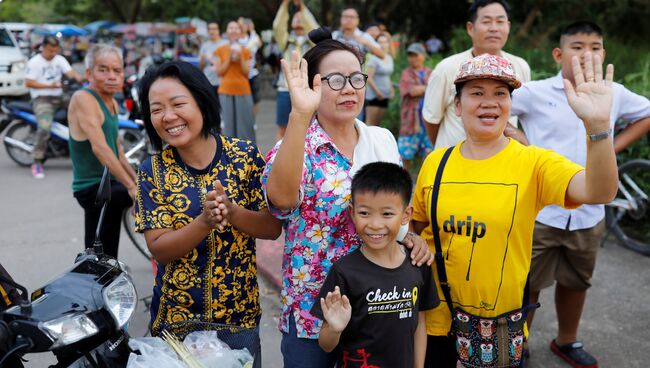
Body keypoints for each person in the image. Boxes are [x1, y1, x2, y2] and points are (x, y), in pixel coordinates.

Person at [411, 53, 618, 368]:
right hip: (433, 318)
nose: (489, 102)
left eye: (500, 94)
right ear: (457, 105)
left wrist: (598, 126)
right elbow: (417, 228)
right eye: (477, 93)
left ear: (510, 105)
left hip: (497, 326)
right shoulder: (435, 163)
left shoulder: (533, 162)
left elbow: (600, 190)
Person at [262, 27, 433, 367]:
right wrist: (298, 115)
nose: (350, 89)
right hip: (315, 312)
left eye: (356, 79)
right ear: (312, 85)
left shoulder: (382, 139)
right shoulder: (296, 147)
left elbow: (395, 209)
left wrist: (411, 236)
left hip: (379, 310)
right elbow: (280, 202)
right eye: (336, 80)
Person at [510, 21, 650, 368]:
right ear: (559, 54)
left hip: (589, 212)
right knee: (527, 283)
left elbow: (647, 113)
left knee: (577, 280)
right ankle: (519, 345)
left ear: (604, 54)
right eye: (577, 46)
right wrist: (527, 146)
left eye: (595, 46)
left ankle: (567, 341)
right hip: (542, 209)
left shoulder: (613, 92)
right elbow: (499, 113)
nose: (587, 53)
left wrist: (611, 149)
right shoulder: (536, 91)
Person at [134, 61, 282, 367]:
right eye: (156, 109)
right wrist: (204, 223)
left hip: (238, 321)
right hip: (176, 322)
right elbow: (159, 249)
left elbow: (271, 227)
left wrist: (232, 212)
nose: (168, 117)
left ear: (202, 101)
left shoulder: (244, 156)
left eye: (178, 104)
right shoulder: (152, 171)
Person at [311, 162, 439, 368]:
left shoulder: (418, 263)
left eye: (387, 214)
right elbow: (326, 345)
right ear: (352, 213)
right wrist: (334, 329)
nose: (375, 224)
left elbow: (419, 324)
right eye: (364, 213)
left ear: (406, 214)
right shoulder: (344, 272)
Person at [421, 0, 530, 150]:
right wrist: (445, 151)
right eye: (486, 21)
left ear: (508, 27)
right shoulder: (446, 68)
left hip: (502, 163)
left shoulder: (520, 66)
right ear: (470, 28)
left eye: (500, 21)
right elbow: (431, 120)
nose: (494, 28)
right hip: (454, 164)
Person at [67, 44, 136, 259]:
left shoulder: (112, 103)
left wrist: (137, 185)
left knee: (105, 249)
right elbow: (100, 148)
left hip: (108, 184)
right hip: (91, 187)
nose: (112, 76)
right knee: (98, 253)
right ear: (89, 73)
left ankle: (106, 280)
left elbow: (118, 153)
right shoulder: (83, 98)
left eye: (117, 71)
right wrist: (131, 188)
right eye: (103, 70)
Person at [25, 35, 84, 179]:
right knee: (44, 128)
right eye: (51, 50)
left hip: (59, 96)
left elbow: (71, 73)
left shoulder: (59, 59)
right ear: (43, 48)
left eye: (56, 50)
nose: (53, 53)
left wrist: (83, 78)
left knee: (84, 109)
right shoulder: (34, 62)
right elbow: (29, 83)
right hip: (42, 99)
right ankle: (37, 162)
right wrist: (50, 85)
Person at [273, 0, 319, 140]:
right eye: (295, 17)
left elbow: (313, 27)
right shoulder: (286, 40)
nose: (299, 19)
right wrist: (285, 5)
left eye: (301, 17)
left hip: (307, 89)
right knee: (283, 128)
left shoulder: (312, 41)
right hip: (285, 89)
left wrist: (301, 6)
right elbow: (278, 26)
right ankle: (279, 158)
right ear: (290, 21)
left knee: (309, 127)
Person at [215, 21, 256, 142]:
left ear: (240, 32)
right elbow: (219, 72)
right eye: (230, 27)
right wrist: (229, 56)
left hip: (243, 89)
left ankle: (247, 152)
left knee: (245, 125)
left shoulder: (246, 50)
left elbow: (246, 73)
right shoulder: (221, 50)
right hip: (225, 90)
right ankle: (229, 153)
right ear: (227, 31)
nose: (233, 30)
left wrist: (240, 57)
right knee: (228, 126)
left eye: (236, 28)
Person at [398, 43, 433, 171]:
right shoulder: (406, 73)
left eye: (416, 55)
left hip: (428, 119)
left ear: (423, 56)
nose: (413, 58)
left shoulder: (430, 72)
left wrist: (422, 89)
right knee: (405, 154)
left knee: (428, 153)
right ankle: (404, 181)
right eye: (410, 56)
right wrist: (428, 88)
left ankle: (422, 182)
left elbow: (437, 90)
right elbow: (411, 90)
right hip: (410, 120)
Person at [364, 32, 394, 126]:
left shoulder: (389, 58)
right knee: (370, 124)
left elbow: (387, 76)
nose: (382, 44)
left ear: (388, 44)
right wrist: (377, 93)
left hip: (385, 95)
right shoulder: (373, 58)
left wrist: (391, 90)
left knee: (377, 124)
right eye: (380, 42)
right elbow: (369, 78)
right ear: (376, 44)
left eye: (385, 42)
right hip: (374, 95)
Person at [238, 17, 263, 112]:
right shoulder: (235, 40)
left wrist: (252, 29)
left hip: (252, 74)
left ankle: (253, 123)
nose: (241, 27)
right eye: (239, 24)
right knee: (240, 101)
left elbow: (259, 44)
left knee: (255, 101)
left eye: (243, 24)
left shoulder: (252, 37)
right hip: (240, 75)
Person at [198, 21, 226, 94]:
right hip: (208, 82)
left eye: (214, 29)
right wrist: (203, 59)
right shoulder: (205, 45)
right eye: (210, 29)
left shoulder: (225, 44)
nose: (211, 31)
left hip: (223, 82)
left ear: (219, 30)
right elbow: (201, 67)